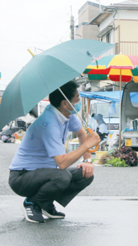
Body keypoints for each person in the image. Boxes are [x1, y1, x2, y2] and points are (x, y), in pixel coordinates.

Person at [8, 81, 100, 223]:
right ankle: (32, 203)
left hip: (44, 173)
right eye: (76, 99)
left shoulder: (67, 116)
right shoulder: (48, 123)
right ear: (65, 103)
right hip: (22, 177)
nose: (78, 103)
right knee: (62, 176)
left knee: (85, 174)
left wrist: (87, 161)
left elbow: (82, 134)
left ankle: (45, 202)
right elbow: (62, 163)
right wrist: (88, 144)